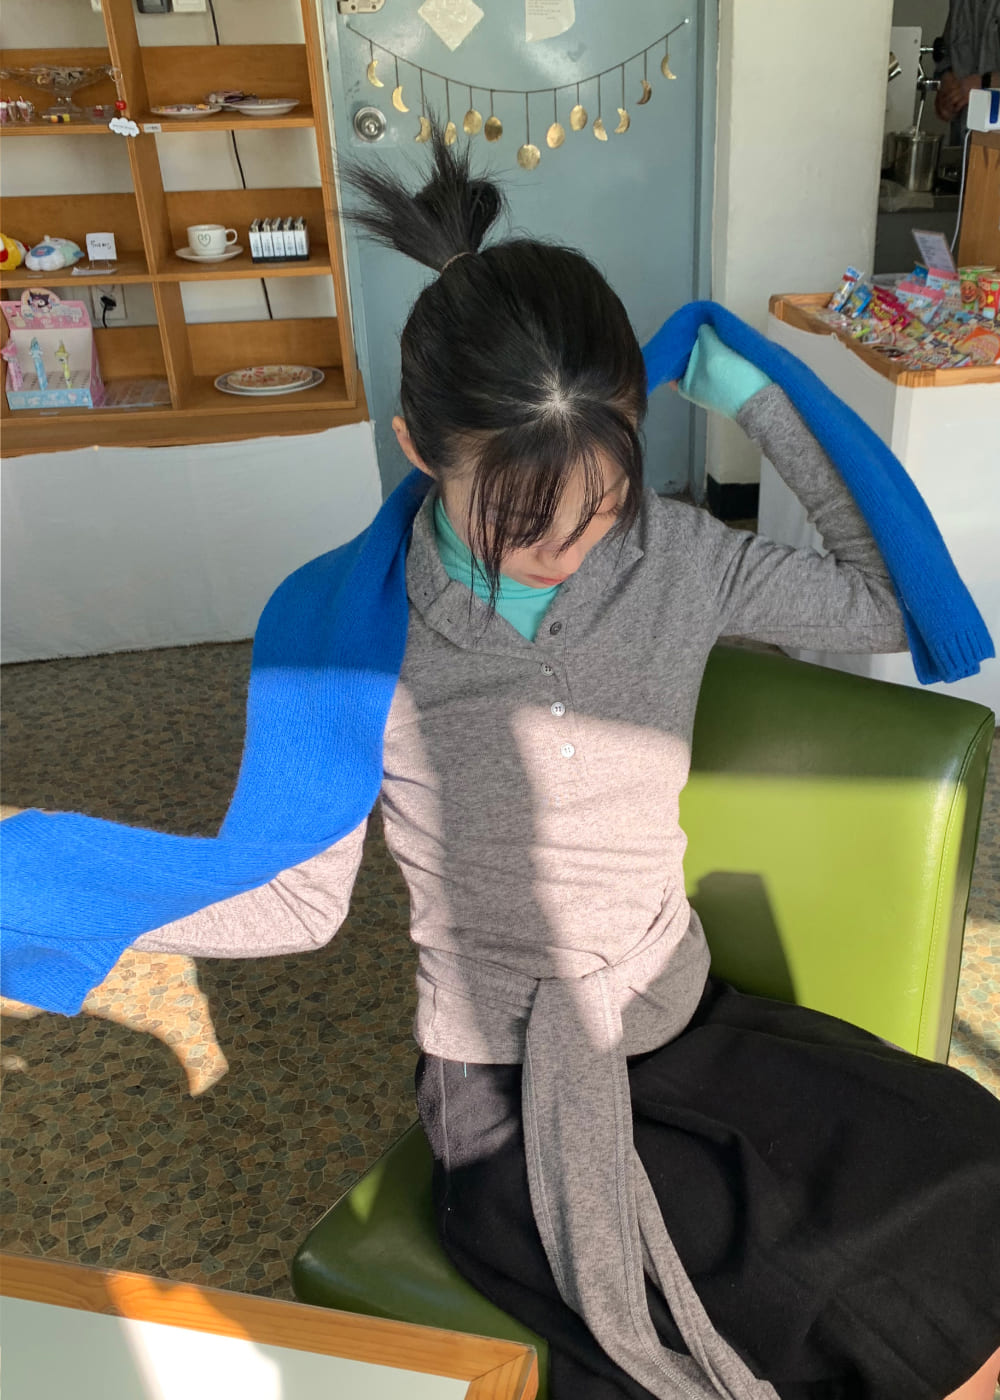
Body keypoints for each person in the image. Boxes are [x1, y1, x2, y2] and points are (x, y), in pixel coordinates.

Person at [7, 132, 1000, 1399]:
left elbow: (888, 599)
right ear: (421, 450)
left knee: (965, 1176)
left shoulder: (677, 556)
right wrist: (50, 896)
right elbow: (295, 896)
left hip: (689, 1016)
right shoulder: (347, 630)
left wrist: (754, 392)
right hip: (507, 1090)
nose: (571, 548)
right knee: (814, 1310)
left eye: (601, 503)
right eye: (525, 519)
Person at [934, 0, 1000, 127]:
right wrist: (947, 90)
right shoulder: (959, 4)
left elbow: (973, 85)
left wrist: (983, 83)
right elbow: (946, 55)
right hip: (964, 130)